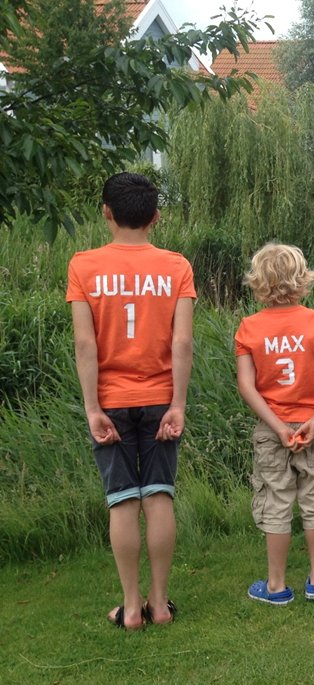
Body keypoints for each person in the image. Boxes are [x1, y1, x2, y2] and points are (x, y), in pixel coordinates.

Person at [67, 172, 195, 630]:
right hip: (161, 397)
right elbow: (182, 344)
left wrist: (91, 407)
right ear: (155, 217)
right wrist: (177, 402)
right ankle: (160, 605)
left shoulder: (83, 266)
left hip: (110, 402)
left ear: (106, 212)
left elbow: (86, 346)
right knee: (159, 495)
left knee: (122, 501)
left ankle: (131, 607)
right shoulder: (177, 266)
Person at [236, 243, 314, 605]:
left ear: (259, 281)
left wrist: (278, 426)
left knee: (276, 501)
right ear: (301, 280)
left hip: (273, 430)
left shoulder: (249, 327)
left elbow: (246, 387)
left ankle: (277, 586)